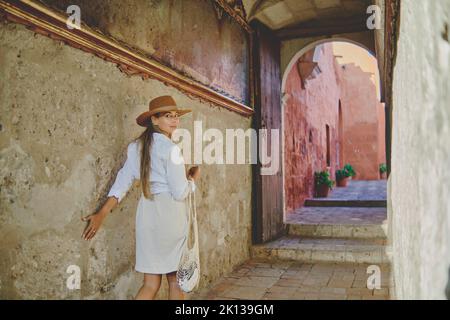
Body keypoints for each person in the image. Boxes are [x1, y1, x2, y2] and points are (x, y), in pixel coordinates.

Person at [81, 95, 200, 300]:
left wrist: (102, 213)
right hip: (170, 217)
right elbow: (180, 192)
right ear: (154, 120)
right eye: (167, 116)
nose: (174, 120)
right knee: (175, 283)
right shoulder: (171, 149)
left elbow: (122, 182)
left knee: (150, 284)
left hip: (148, 217)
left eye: (176, 116)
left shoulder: (135, 147)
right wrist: (192, 180)